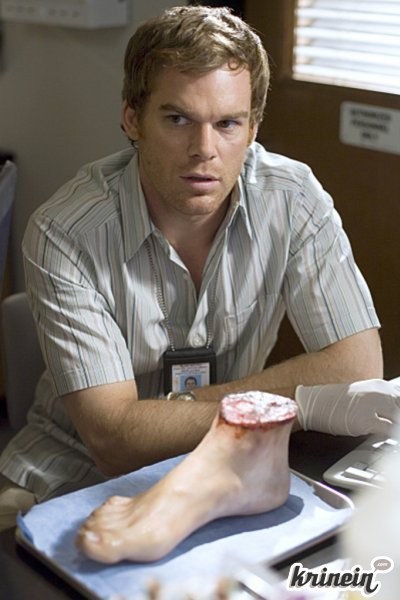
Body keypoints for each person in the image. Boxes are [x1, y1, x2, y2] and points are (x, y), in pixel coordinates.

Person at [0, 5, 386, 531]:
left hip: (227, 467)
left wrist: (176, 412)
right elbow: (114, 440)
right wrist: (300, 401)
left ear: (253, 128)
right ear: (132, 119)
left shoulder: (293, 198)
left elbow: (358, 368)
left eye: (227, 124)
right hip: (71, 472)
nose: (204, 150)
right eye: (178, 119)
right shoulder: (65, 231)